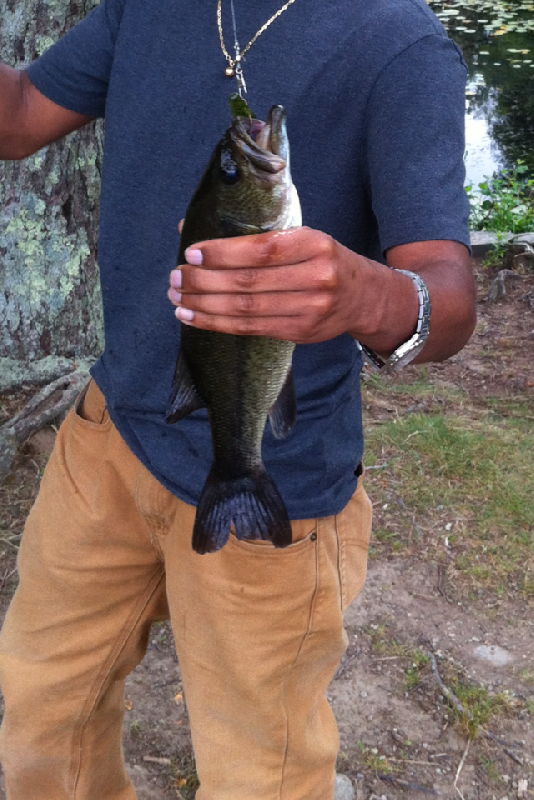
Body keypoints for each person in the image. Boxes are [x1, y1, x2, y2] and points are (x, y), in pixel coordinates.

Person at [0, 0, 476, 797]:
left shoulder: (398, 41)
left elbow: (450, 304)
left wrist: (369, 295)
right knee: (43, 710)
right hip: (108, 437)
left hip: (279, 482)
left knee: (263, 771)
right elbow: (15, 119)